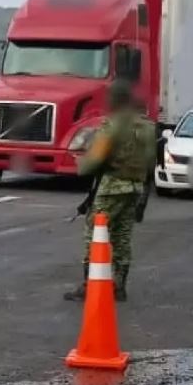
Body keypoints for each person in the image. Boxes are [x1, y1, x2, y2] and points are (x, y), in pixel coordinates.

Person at [66, 82, 155, 302]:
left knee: (95, 233)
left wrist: (81, 164)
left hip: (112, 185)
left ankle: (89, 284)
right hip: (136, 186)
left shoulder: (113, 125)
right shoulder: (147, 126)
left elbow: (95, 159)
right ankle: (119, 285)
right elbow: (151, 161)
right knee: (123, 237)